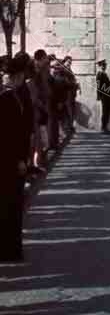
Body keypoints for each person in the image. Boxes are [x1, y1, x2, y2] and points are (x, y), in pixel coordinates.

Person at [0, 54, 33, 262]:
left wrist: (22, 157)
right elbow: (12, 133)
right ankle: (9, 249)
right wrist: (20, 158)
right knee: (9, 206)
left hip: (11, 159)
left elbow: (19, 131)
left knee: (12, 206)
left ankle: (11, 248)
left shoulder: (12, 98)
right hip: (10, 160)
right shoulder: (8, 99)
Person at [96, 59, 110, 134]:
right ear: (100, 66)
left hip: (108, 96)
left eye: (105, 65)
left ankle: (105, 127)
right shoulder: (100, 74)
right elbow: (99, 86)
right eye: (103, 65)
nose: (104, 67)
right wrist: (99, 95)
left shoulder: (104, 74)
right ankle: (103, 128)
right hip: (105, 95)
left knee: (107, 111)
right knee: (105, 112)